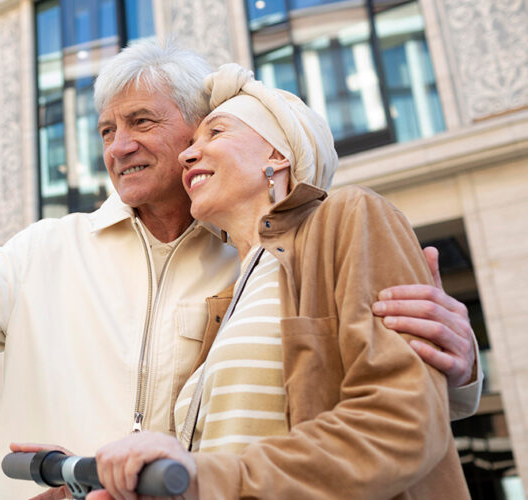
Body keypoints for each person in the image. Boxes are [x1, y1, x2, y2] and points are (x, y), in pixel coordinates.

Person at [0, 40, 480, 498]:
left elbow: (370, 403)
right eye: (105, 131)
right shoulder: (46, 250)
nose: (118, 146)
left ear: (196, 130)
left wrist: (456, 374)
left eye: (143, 122)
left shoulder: (264, 257)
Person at [89, 63, 469, 500]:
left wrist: (206, 477)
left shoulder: (345, 218)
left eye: (216, 134)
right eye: (191, 143)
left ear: (278, 155)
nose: (187, 155)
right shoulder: (228, 299)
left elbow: (401, 422)